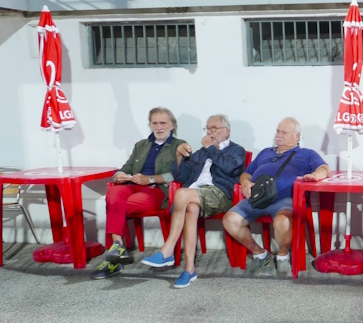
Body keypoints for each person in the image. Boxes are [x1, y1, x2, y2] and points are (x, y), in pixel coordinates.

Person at [140, 115, 246, 288]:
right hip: (195, 194)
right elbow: (181, 176)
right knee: (190, 207)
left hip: (220, 194)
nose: (210, 132)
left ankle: (168, 250)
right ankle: (189, 270)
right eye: (208, 128)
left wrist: (211, 148)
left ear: (226, 132)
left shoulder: (236, 150)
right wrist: (179, 157)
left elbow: (231, 168)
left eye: (214, 128)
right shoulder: (201, 153)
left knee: (182, 194)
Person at [222, 117, 329, 278]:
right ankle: (259, 253)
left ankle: (283, 255)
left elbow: (324, 168)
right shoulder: (266, 152)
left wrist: (315, 176)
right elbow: (247, 173)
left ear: (297, 136)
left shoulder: (306, 154)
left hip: (285, 200)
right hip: (257, 198)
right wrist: (245, 182)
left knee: (283, 221)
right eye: (278, 131)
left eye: (284, 132)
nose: (279, 135)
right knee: (230, 220)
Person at [92, 107, 186, 280]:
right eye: (155, 123)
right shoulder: (141, 145)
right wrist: (120, 175)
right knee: (113, 192)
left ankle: (113, 260)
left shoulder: (179, 145)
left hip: (157, 190)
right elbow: (126, 167)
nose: (159, 127)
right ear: (150, 125)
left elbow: (181, 175)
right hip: (133, 185)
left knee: (115, 206)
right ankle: (118, 245)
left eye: (163, 123)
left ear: (172, 125)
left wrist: (150, 179)